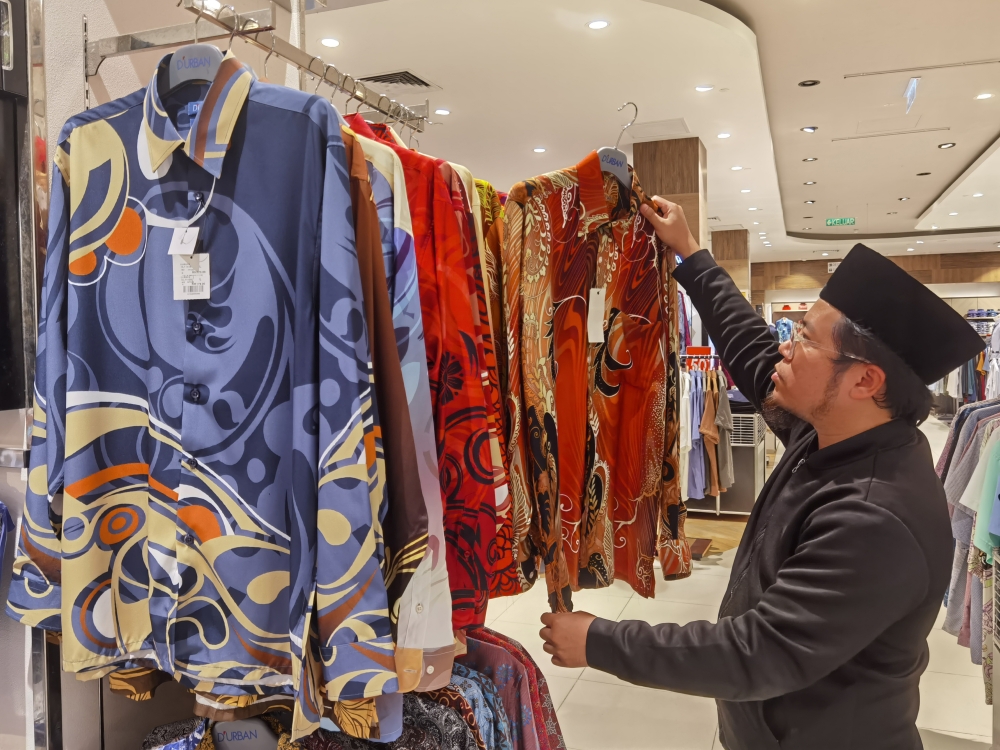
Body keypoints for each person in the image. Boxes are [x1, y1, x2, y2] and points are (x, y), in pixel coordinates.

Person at [538, 196, 986, 750]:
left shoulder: (874, 517)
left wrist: (600, 641)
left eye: (806, 339)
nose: (786, 349)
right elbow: (751, 348)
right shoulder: (834, 433)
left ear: (865, 381)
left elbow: (757, 652)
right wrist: (691, 253)